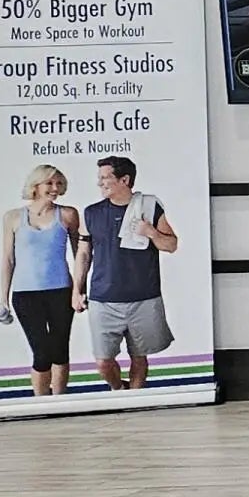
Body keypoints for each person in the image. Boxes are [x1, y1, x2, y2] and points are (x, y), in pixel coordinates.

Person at [76, 155, 177, 391]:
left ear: (125, 180)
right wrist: (76, 291)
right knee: (103, 362)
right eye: (99, 178)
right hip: (103, 298)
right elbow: (83, 254)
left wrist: (151, 232)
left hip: (144, 297)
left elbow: (171, 245)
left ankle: (135, 400)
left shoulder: (150, 208)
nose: (100, 183)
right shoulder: (91, 213)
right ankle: (119, 390)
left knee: (139, 357)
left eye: (105, 178)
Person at [0, 165, 84, 397]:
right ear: (36, 185)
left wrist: (79, 290)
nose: (55, 188)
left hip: (61, 291)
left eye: (59, 184)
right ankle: (40, 403)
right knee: (41, 353)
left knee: (60, 351)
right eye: (49, 183)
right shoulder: (13, 217)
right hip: (26, 295)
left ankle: (59, 402)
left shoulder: (68, 214)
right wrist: (3, 299)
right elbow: (8, 259)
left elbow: (81, 255)